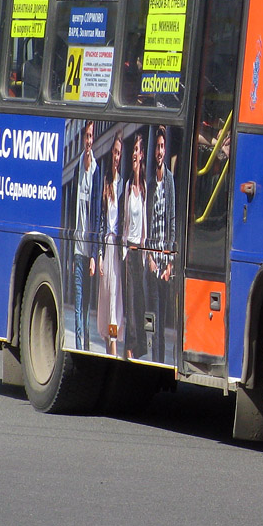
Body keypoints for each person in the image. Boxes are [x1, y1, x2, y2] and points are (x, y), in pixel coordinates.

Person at [146, 125, 176, 364]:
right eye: (157, 146)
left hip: (165, 262)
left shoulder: (169, 180)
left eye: (162, 146)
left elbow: (172, 220)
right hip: (151, 260)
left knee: (162, 319)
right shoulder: (149, 181)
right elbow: (147, 221)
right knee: (153, 318)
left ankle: (162, 363)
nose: (159, 150)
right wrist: (149, 257)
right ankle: (154, 362)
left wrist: (169, 263)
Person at [71, 120, 101, 352]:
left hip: (88, 250)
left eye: (92, 137)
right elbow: (74, 210)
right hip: (77, 248)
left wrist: (94, 254)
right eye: (87, 136)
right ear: (82, 138)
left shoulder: (96, 171)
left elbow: (97, 213)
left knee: (87, 301)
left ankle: (86, 342)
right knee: (79, 298)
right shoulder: (77, 168)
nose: (89, 141)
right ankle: (79, 344)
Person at [96, 130, 125, 357]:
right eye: (115, 152)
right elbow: (99, 220)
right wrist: (98, 256)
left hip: (117, 248)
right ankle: (108, 343)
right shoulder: (105, 183)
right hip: (106, 247)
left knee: (115, 299)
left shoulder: (122, 184)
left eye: (119, 154)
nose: (117, 157)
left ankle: (113, 342)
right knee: (106, 300)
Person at [121, 129, 148, 360]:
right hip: (129, 250)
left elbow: (145, 223)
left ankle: (140, 346)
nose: (135, 155)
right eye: (134, 151)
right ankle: (130, 345)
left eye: (138, 151)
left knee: (140, 300)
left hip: (142, 251)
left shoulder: (144, 187)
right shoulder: (129, 186)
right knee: (130, 302)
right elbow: (125, 221)